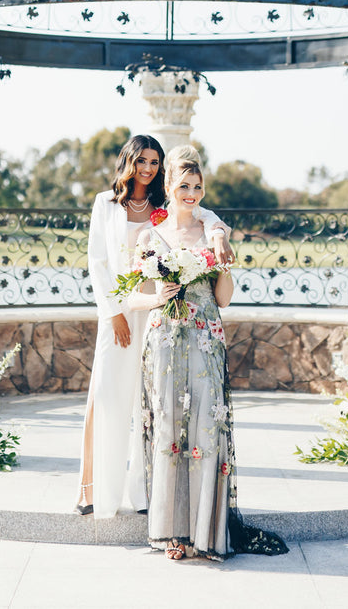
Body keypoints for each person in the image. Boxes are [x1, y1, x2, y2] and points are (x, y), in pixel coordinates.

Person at [126, 156, 287, 561]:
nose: (192, 194)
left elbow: (223, 299)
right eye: (184, 187)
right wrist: (155, 296)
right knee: (169, 430)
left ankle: (207, 533)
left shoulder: (213, 233)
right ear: (169, 186)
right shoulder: (151, 238)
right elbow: (128, 294)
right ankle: (173, 533)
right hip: (164, 340)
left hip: (205, 338)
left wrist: (225, 268)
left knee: (205, 428)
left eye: (198, 187)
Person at [76, 135, 231, 518]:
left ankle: (144, 493)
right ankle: (91, 489)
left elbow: (202, 212)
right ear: (127, 161)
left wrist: (218, 233)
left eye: (155, 162)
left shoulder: (162, 206)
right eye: (142, 160)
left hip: (161, 312)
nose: (148, 168)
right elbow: (97, 262)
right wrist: (113, 314)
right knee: (108, 398)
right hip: (118, 313)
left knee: (150, 406)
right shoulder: (105, 204)